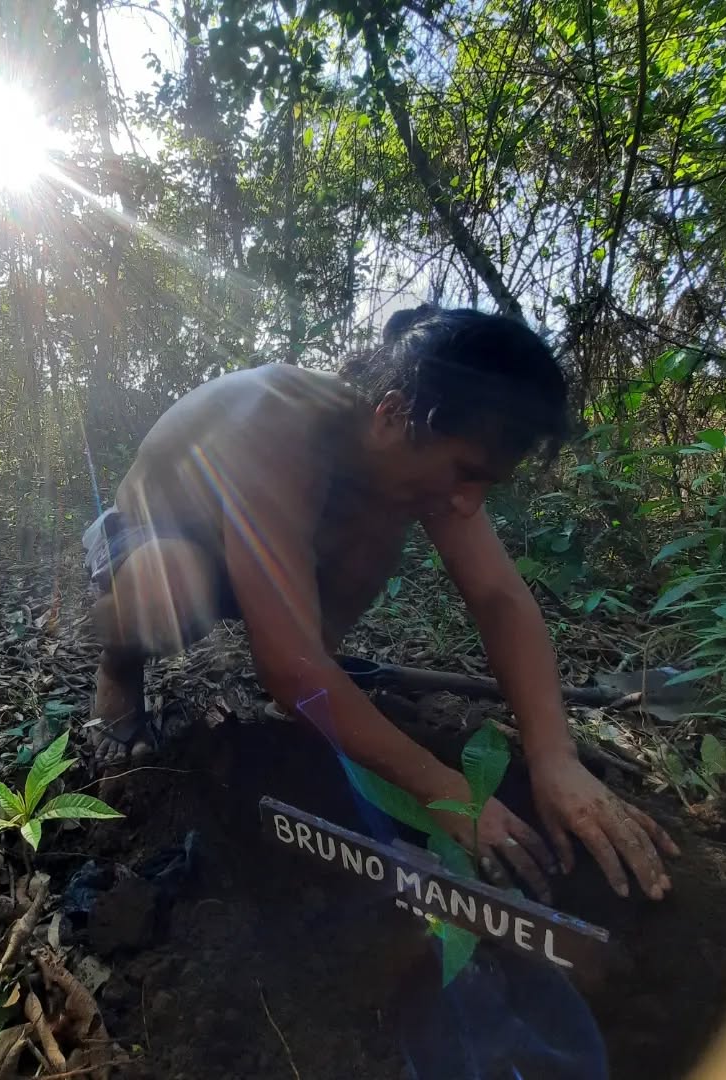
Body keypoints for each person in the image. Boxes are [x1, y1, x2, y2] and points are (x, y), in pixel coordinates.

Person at [82, 304, 678, 903]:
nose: (469, 504)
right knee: (178, 588)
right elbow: (286, 671)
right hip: (152, 545)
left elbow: (499, 595)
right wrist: (446, 793)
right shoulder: (275, 425)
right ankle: (119, 667)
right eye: (464, 473)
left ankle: (323, 691)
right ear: (394, 413)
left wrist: (554, 756)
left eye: (486, 485)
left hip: (270, 553)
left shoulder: (408, 456)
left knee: (375, 530)